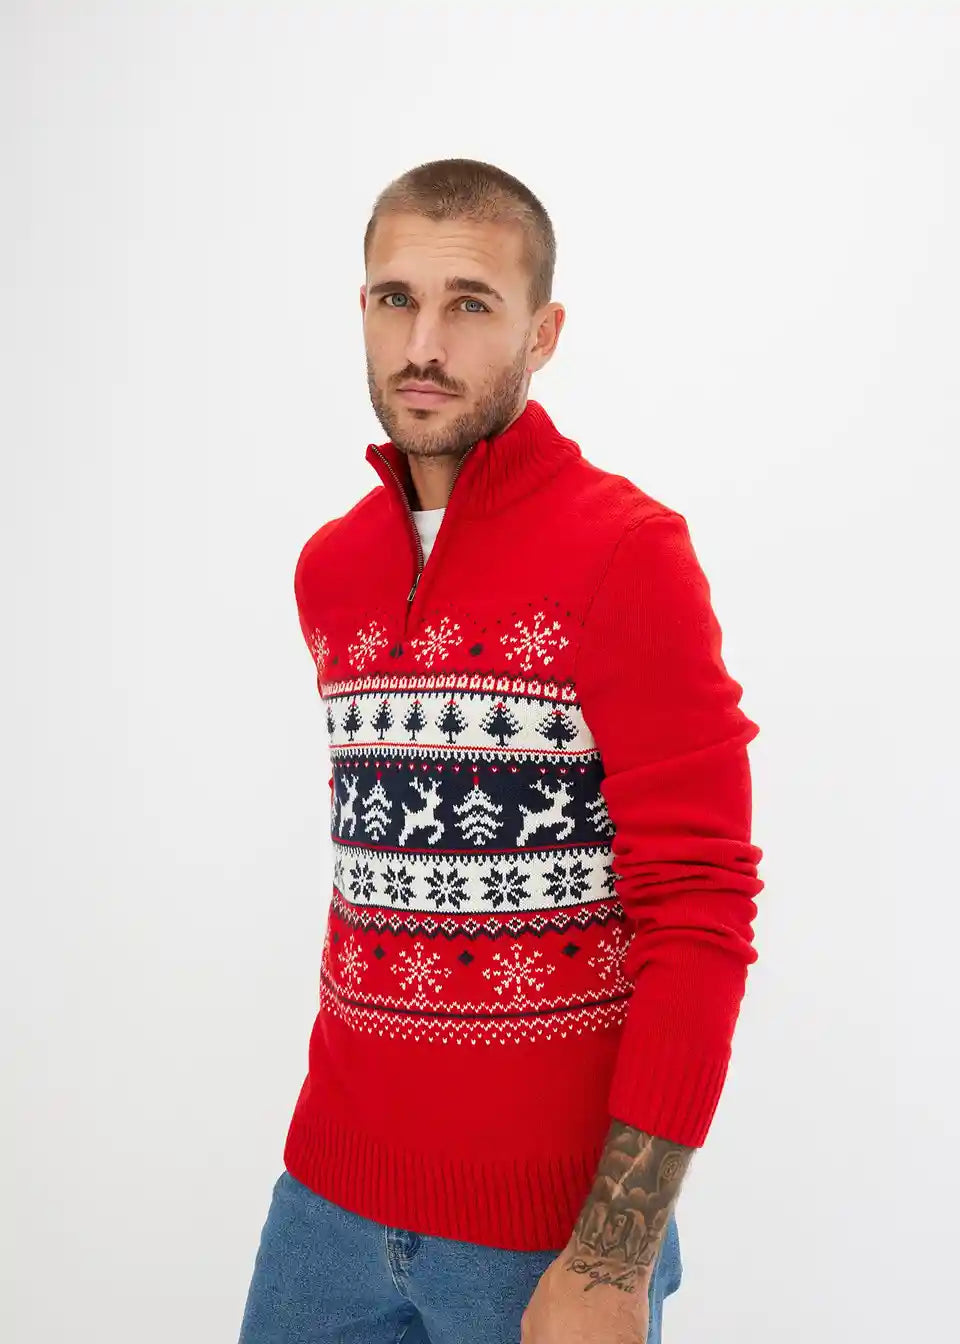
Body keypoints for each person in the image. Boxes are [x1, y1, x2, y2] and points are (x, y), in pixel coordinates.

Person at [237, 158, 764, 1344]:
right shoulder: (332, 568)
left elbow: (699, 908)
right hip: (322, 1209)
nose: (423, 345)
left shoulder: (627, 554)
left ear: (543, 332)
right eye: (396, 299)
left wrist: (611, 1259)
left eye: (470, 304)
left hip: (544, 1241)